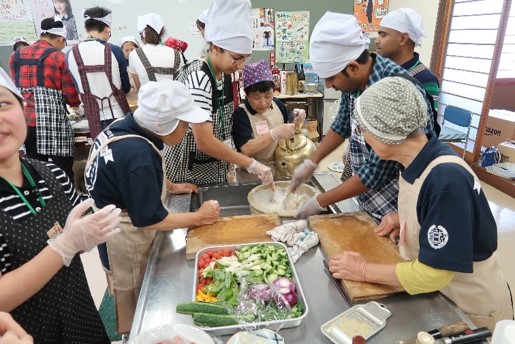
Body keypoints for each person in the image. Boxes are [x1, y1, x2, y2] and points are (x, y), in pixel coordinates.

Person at [328, 76, 514, 331]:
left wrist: (362, 270)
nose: (361, 134)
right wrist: (405, 219)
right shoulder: (422, 158)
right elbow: (440, 215)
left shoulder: (446, 180)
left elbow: (433, 273)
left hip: (472, 310)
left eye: (363, 128)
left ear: (385, 132)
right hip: (444, 295)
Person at [84, 79, 221, 333]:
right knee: (139, 306)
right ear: (164, 124)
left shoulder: (127, 125)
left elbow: (123, 175)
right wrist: (199, 217)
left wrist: (168, 184)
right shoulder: (138, 155)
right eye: (184, 124)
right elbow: (149, 219)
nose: (188, 129)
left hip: (108, 225)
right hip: (125, 239)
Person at [0, 67, 121, 343]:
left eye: (2, 103)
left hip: (79, 316)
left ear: (23, 108)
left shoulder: (49, 172)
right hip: (25, 332)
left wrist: (89, 232)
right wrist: (64, 247)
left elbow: (78, 223)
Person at [291, 12, 436, 220]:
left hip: (397, 205)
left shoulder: (388, 92)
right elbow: (341, 125)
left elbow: (375, 173)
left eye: (331, 78)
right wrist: (312, 162)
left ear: (353, 67)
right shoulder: (357, 83)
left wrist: (319, 201)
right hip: (368, 197)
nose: (329, 86)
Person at [166, 0, 273, 187]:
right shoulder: (199, 79)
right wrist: (252, 163)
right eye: (237, 59)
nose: (240, 66)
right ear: (215, 48)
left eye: (245, 59)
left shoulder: (222, 72)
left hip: (211, 165)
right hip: (190, 171)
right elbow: (205, 141)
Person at [9, 17, 80, 181]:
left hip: (25, 122)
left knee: (36, 169)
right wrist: (76, 106)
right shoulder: (59, 57)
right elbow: (70, 94)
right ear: (60, 38)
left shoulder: (16, 56)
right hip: (51, 122)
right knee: (62, 169)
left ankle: (44, 202)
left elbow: (15, 86)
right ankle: (67, 202)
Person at [232, 59, 305, 178]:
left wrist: (296, 118)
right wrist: (274, 134)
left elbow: (287, 127)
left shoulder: (278, 104)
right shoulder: (241, 114)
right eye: (256, 97)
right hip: (254, 174)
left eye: (268, 96)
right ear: (246, 93)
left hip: (280, 169)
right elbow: (246, 149)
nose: (263, 103)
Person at [67, 6, 131, 139]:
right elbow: (125, 87)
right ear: (107, 28)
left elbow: (78, 88)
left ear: (85, 28)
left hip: (94, 120)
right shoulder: (115, 50)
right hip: (120, 116)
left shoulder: (70, 54)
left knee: (105, 156)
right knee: (125, 154)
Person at [376, 8, 440, 110]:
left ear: (403, 39)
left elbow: (429, 123)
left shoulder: (425, 79)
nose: (377, 41)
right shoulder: (380, 70)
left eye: (383, 35)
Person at [129, 13, 183, 91]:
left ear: (142, 34)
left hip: (147, 102)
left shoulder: (134, 55)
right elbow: (181, 82)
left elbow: (138, 86)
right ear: (161, 32)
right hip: (173, 102)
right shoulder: (177, 54)